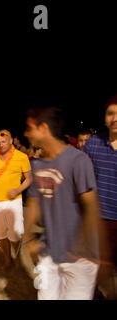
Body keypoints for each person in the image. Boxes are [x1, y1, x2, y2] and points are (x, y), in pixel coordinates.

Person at [23, 107, 103, 300]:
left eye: (29, 128)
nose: (26, 133)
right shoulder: (37, 164)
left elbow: (92, 207)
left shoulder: (78, 160)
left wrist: (81, 247)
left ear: (43, 128)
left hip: (79, 259)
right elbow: (33, 203)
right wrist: (28, 240)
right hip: (49, 251)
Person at [82, 96, 117, 299]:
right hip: (100, 221)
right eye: (110, 113)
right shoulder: (93, 144)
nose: (115, 118)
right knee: (95, 273)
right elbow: (81, 180)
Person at [0, 129, 32, 270]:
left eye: (4, 142)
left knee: (15, 235)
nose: (1, 145)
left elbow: (29, 179)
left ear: (11, 141)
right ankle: (7, 258)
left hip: (13, 201)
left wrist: (17, 189)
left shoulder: (21, 157)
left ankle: (16, 254)